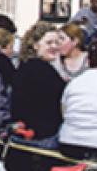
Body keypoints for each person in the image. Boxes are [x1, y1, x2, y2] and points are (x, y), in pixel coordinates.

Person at [11, 22, 65, 150]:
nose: (54, 46)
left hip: (24, 130)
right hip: (42, 134)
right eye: (49, 43)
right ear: (35, 45)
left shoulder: (25, 66)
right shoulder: (43, 70)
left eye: (57, 43)